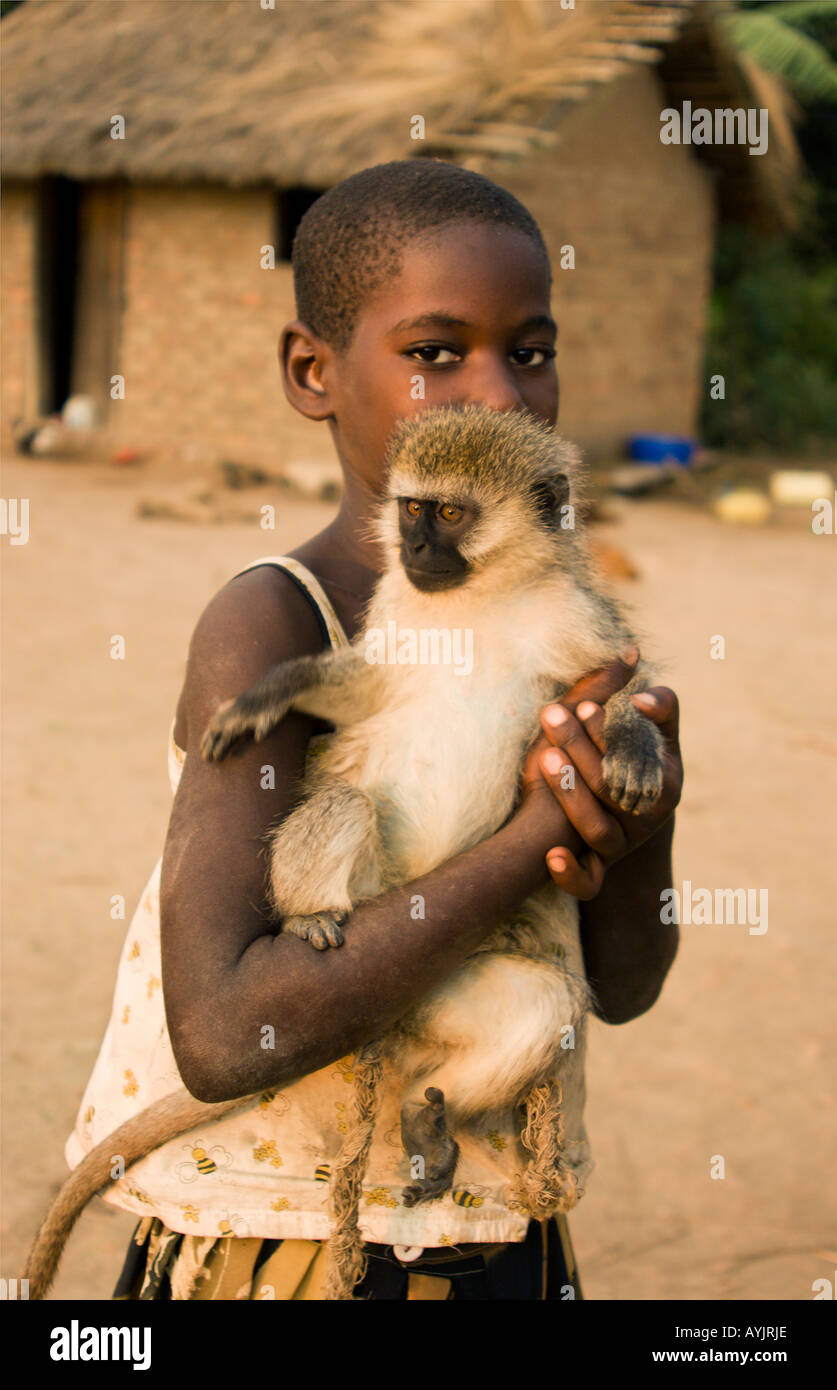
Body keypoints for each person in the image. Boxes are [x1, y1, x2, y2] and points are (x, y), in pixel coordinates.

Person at [68, 160, 682, 1301]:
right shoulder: (266, 620)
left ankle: (439, 1105)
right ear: (314, 371)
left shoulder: (567, 627)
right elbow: (220, 1032)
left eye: (531, 351)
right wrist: (527, 837)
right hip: (280, 1238)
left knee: (535, 1007)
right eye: (436, 352)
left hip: (500, 1225)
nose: (494, 393)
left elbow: (626, 981)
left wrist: (642, 806)